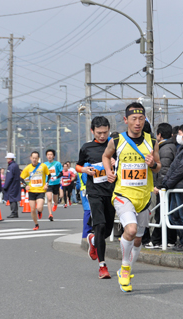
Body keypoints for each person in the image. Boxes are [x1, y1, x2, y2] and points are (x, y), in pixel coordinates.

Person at [103, 103, 161, 292]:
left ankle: (125, 269)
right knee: (131, 229)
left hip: (143, 197)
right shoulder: (116, 140)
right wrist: (109, 171)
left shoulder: (151, 142)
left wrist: (153, 164)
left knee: (138, 238)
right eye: (133, 119)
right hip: (123, 194)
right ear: (126, 120)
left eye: (141, 119)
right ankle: (125, 267)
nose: (137, 123)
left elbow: (159, 166)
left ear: (145, 120)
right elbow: (106, 156)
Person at [77, 116, 116, 279]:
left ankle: (92, 240)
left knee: (107, 230)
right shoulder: (87, 148)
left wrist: (114, 163)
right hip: (94, 191)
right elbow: (77, 166)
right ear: (92, 131)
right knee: (99, 226)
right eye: (99, 133)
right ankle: (103, 266)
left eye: (105, 132)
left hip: (111, 191)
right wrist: (85, 170)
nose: (102, 136)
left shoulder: (114, 145)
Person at [161, 123, 183, 251]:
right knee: (174, 215)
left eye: (180, 134)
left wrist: (167, 183)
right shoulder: (182, 148)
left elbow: (181, 169)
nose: (178, 136)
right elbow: (173, 168)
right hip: (175, 186)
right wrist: (166, 182)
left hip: (182, 186)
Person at [146, 122, 177, 249]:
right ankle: (167, 240)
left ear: (159, 135)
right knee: (166, 213)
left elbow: (163, 170)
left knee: (161, 214)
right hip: (168, 186)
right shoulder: (172, 146)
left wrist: (159, 186)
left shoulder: (164, 149)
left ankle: (158, 240)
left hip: (162, 187)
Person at [21, 151, 50, 230]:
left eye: (36, 158)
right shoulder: (28, 168)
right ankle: (36, 224)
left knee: (39, 207)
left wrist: (46, 183)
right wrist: (25, 185)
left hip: (41, 190)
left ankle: (40, 212)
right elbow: (21, 177)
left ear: (38, 159)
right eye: (33, 158)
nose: (34, 160)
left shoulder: (43, 166)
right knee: (33, 209)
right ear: (31, 158)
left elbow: (49, 174)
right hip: (32, 191)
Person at [44, 149, 63, 221]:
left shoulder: (57, 164)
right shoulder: (44, 164)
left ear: (53, 156)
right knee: (49, 198)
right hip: (48, 183)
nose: (49, 156)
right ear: (46, 156)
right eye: (48, 155)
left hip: (56, 183)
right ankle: (50, 214)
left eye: (51, 155)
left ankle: (55, 204)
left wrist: (56, 177)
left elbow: (62, 173)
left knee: (55, 200)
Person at [3, 153, 21, 218]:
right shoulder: (16, 165)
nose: (7, 159)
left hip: (12, 185)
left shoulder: (11, 166)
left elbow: (9, 177)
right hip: (16, 184)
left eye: (7, 158)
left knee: (12, 199)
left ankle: (13, 212)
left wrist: (5, 186)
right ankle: (15, 212)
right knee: (14, 198)